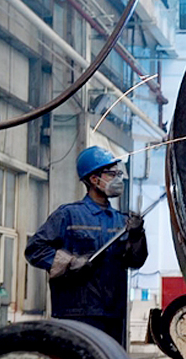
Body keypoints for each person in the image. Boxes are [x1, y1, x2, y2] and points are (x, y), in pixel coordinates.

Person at [25, 146, 147, 348]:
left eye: (118, 174)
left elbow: (135, 261)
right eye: (111, 174)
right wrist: (69, 262)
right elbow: (34, 250)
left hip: (112, 315)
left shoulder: (121, 222)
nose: (117, 179)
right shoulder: (68, 215)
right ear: (93, 179)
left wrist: (137, 235)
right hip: (76, 314)